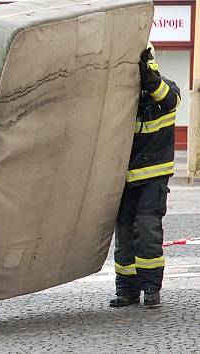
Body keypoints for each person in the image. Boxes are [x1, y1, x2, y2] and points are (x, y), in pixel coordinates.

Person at [110, 43, 180, 308]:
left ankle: (151, 287)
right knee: (125, 234)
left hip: (153, 177)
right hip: (125, 178)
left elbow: (169, 99)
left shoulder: (166, 89)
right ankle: (127, 291)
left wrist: (150, 80)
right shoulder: (124, 98)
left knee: (148, 231)